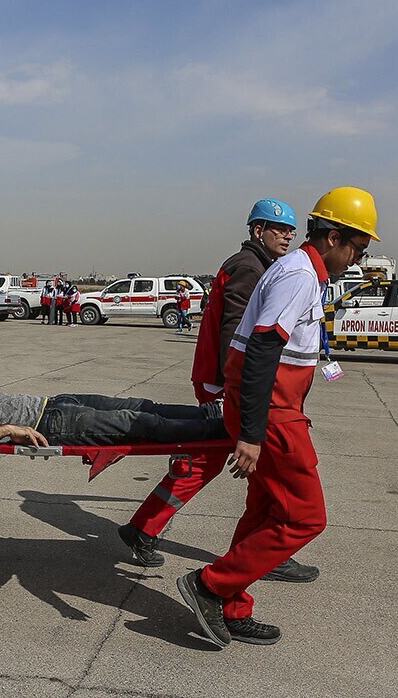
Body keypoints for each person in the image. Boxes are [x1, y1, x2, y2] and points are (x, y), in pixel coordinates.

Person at [175, 187, 379, 648]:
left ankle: (231, 605)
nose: (359, 259)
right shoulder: (299, 275)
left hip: (273, 409)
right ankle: (209, 585)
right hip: (270, 413)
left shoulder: (304, 271)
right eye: (358, 248)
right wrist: (251, 432)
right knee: (306, 518)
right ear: (332, 238)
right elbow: (264, 346)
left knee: (266, 509)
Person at [122, 199, 310, 577]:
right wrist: (237, 388)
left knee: (212, 461)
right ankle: (263, 547)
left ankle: (144, 528)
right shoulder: (249, 267)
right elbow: (236, 329)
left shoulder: (256, 265)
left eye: (291, 229)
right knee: (230, 460)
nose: (288, 235)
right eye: (278, 228)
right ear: (257, 231)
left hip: (223, 381)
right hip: (224, 382)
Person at [0, 378, 226, 451]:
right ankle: (221, 427)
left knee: (144, 406)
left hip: (54, 402)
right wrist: (8, 429)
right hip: (51, 424)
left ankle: (209, 412)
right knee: (142, 424)